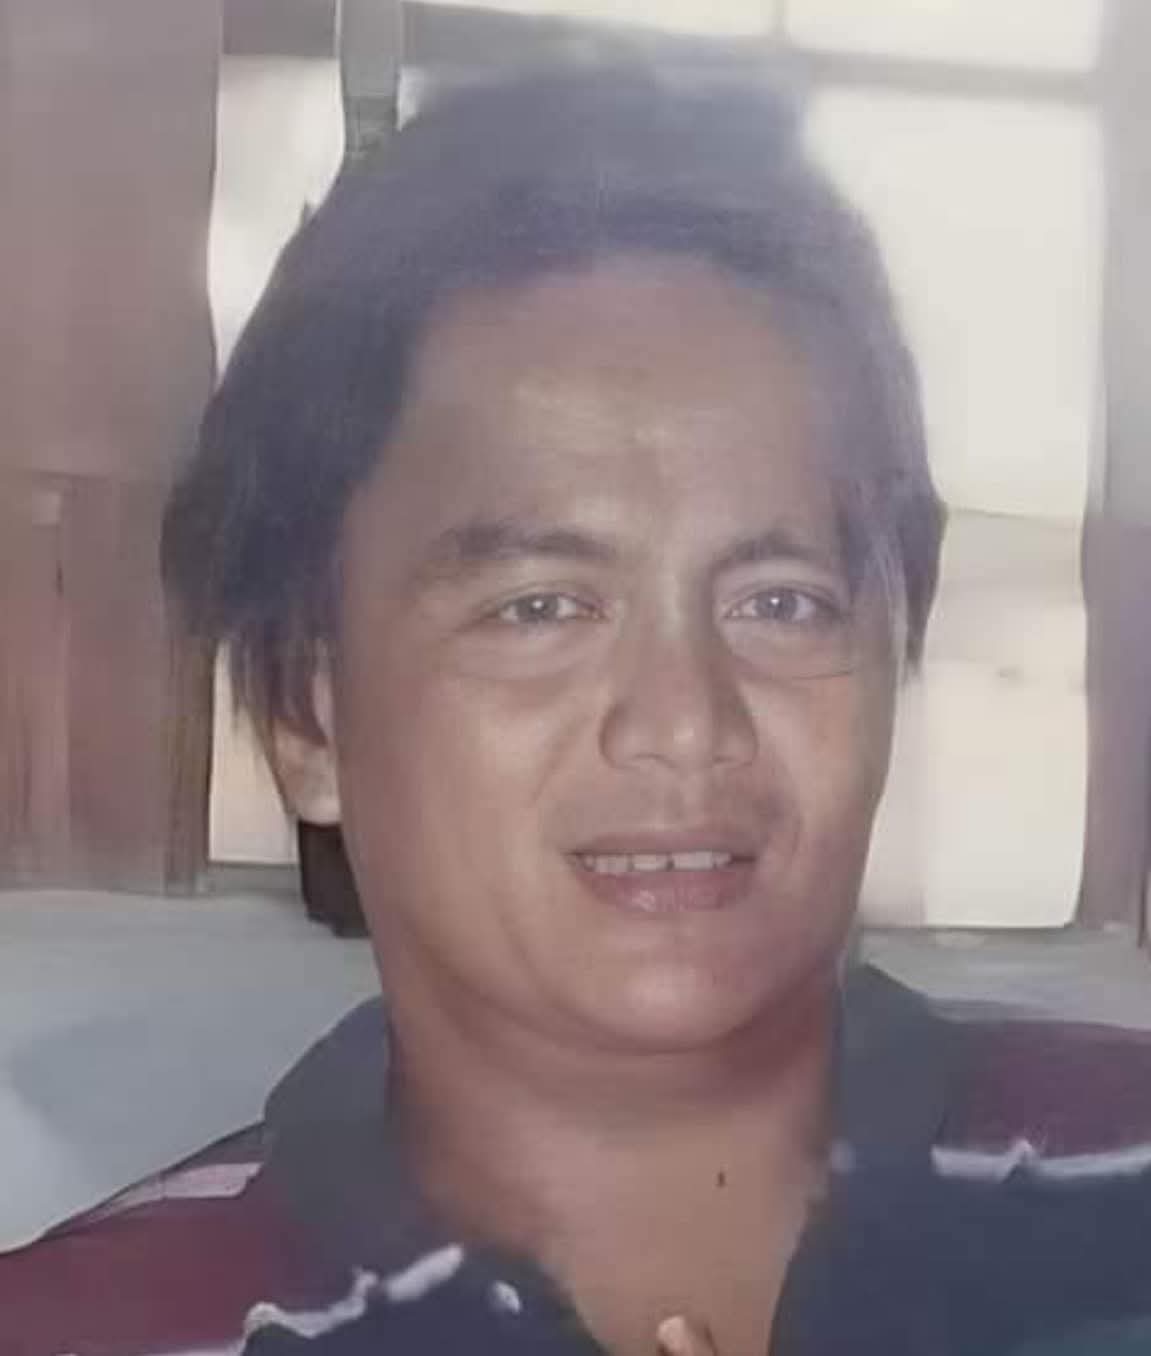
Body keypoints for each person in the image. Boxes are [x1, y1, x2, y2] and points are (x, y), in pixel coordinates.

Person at [37, 65, 1151, 1356]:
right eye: (540, 608)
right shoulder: (106, 1330)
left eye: (781, 602)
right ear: (307, 712)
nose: (686, 724)